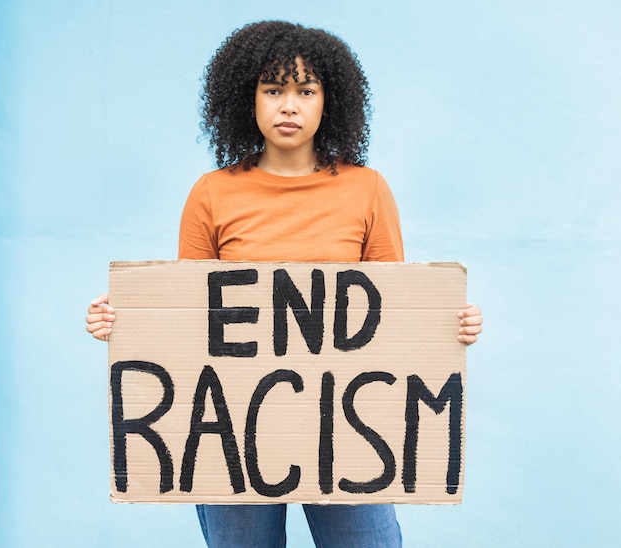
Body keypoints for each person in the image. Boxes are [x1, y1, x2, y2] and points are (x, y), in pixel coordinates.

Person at [86, 20, 483, 548]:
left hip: (345, 427)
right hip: (233, 429)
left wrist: (446, 325)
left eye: (305, 91)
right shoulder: (211, 194)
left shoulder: (368, 190)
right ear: (246, 100)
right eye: (273, 90)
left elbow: (393, 311)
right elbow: (192, 315)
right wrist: (127, 322)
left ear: (329, 102)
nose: (289, 105)